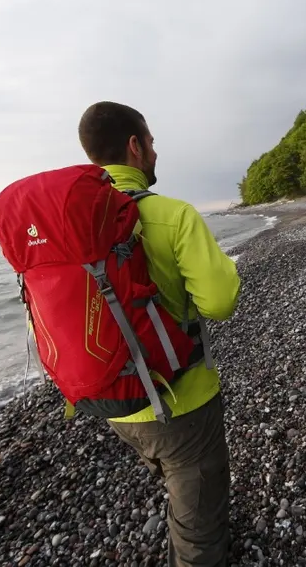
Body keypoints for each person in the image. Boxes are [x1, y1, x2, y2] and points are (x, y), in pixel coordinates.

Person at [77, 100, 240, 566]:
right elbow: (220, 302)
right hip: (183, 400)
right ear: (134, 146)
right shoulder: (173, 214)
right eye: (151, 142)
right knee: (198, 526)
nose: (155, 151)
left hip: (112, 401)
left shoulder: (75, 228)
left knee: (175, 477)